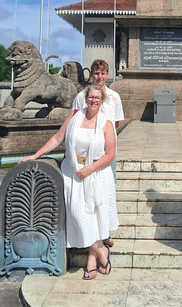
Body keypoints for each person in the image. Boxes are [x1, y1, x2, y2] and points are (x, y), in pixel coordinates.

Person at [20, 85, 119, 280]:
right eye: (91, 97)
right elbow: (58, 138)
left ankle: (93, 259)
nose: (93, 100)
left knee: (95, 218)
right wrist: (36, 155)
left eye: (97, 98)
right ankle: (102, 252)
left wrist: (90, 168)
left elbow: (110, 154)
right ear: (85, 98)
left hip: (96, 174)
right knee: (78, 215)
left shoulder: (106, 124)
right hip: (72, 173)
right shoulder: (74, 117)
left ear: (102, 100)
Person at [72, 59, 123, 248]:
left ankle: (105, 232)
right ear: (91, 74)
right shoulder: (80, 96)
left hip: (105, 152)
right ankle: (89, 229)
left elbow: (115, 124)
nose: (99, 77)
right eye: (96, 73)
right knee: (85, 192)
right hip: (84, 152)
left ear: (107, 74)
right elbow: (74, 121)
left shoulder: (114, 97)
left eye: (102, 73)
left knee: (106, 191)